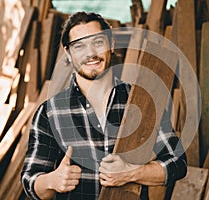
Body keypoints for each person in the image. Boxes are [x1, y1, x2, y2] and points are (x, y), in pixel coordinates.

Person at [21, 11, 187, 200]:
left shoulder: (143, 102)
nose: (90, 53)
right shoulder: (50, 112)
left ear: (112, 44)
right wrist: (53, 180)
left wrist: (132, 172)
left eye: (98, 42)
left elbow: (177, 163)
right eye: (79, 46)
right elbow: (30, 181)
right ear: (68, 53)